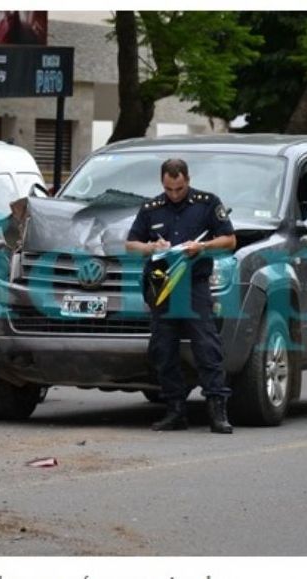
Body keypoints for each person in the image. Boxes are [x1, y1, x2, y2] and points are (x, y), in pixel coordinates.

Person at [125, 158, 237, 434]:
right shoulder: (152, 208)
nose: (174, 194)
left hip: (194, 283)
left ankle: (217, 411)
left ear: (187, 179)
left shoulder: (207, 203)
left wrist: (202, 246)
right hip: (162, 285)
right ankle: (175, 411)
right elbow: (130, 245)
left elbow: (230, 241)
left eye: (179, 188)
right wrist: (152, 247)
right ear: (162, 183)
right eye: (169, 188)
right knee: (163, 350)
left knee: (206, 347)